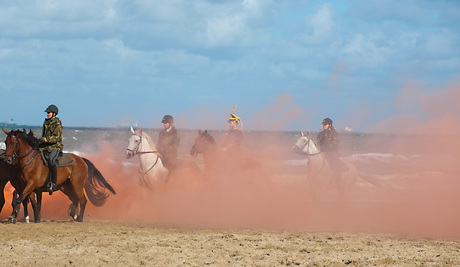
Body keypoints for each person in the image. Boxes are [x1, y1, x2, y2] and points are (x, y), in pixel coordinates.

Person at [41, 104, 63, 195]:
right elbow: (43, 135)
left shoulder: (57, 124)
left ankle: (53, 183)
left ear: (54, 114)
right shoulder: (46, 122)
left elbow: (57, 138)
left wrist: (44, 140)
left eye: (49, 113)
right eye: (47, 113)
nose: (47, 114)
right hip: (45, 146)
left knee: (51, 159)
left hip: (55, 147)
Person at [316, 117, 341, 186]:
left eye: (325, 124)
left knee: (335, 162)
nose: (324, 126)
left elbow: (335, 144)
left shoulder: (334, 133)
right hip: (322, 152)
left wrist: (326, 148)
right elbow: (317, 142)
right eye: (323, 124)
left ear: (330, 125)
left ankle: (337, 179)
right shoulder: (321, 134)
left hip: (332, 152)